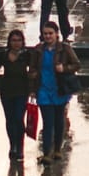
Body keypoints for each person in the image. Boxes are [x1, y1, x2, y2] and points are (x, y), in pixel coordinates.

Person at [34, 21, 79, 161]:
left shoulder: (64, 49)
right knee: (48, 122)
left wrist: (64, 69)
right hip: (43, 90)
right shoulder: (38, 49)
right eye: (45, 34)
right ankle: (47, 152)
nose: (48, 36)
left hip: (59, 89)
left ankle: (58, 150)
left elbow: (77, 64)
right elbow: (33, 68)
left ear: (56, 34)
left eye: (50, 33)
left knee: (59, 121)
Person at [0, 29, 35, 161]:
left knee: (19, 119)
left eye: (19, 40)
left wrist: (33, 86)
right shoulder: (3, 55)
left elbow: (34, 69)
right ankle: (12, 145)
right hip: (7, 91)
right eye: (14, 40)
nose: (16, 43)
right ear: (9, 41)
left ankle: (20, 147)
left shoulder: (26, 55)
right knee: (10, 120)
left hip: (21, 91)